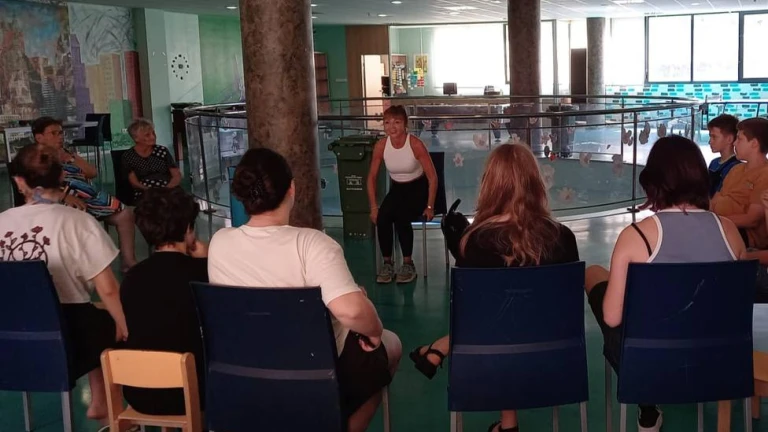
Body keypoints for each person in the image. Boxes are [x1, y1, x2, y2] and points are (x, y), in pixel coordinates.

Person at [208, 148, 401, 432]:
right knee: (391, 345)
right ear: (292, 189)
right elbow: (351, 311)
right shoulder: (312, 244)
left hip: (245, 371)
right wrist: (373, 331)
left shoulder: (219, 242)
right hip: (314, 375)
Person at [410, 143, 580, 432]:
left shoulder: (472, 241)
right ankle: (506, 421)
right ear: (536, 183)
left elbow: (471, 314)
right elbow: (566, 306)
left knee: (497, 321)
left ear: (490, 185)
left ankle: (441, 347)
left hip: (490, 352)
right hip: (552, 352)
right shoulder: (563, 237)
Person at [585, 136, 747, 432]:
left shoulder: (637, 236)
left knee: (596, 276)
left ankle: (647, 405)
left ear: (654, 181)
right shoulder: (729, 230)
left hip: (651, 363)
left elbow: (612, 317)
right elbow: (737, 306)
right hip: (717, 358)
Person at [1, 143, 128, 421]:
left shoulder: (1, 222)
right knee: (108, 324)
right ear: (61, 177)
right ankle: (105, 403)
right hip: (67, 337)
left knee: (94, 317)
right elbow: (108, 289)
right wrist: (125, 324)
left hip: (10, 335)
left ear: (19, 182)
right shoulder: (78, 222)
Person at [120, 188, 207, 415]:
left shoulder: (132, 277)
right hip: (193, 391)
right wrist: (206, 261)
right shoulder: (201, 273)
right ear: (188, 229)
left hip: (139, 392)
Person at [32, 117, 137, 271]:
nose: (60, 137)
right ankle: (88, 269)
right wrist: (64, 196)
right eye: (53, 133)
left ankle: (128, 261)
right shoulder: (35, 158)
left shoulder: (67, 152)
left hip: (90, 198)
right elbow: (35, 188)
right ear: (39, 137)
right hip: (62, 201)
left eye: (60, 133)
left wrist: (71, 158)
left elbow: (92, 172)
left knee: (125, 214)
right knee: (79, 220)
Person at [367, 105, 438, 284]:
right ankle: (387, 263)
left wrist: (430, 206)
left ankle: (408, 263)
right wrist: (374, 207)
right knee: (383, 216)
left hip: (418, 188)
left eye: (397, 122)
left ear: (405, 124)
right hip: (397, 188)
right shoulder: (381, 146)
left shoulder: (415, 144)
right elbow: (371, 177)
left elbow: (433, 177)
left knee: (401, 216)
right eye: (387, 123)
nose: (392, 127)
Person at [711, 118, 768, 249]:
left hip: (744, 236)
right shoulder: (736, 169)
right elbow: (715, 200)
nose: (735, 143)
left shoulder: (764, 174)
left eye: (739, 139)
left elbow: (752, 219)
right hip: (721, 227)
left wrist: (715, 222)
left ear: (754, 143)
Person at [122, 118, 182, 200]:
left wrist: (166, 189)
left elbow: (176, 175)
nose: (153, 137)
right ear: (136, 138)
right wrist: (151, 191)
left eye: (153, 133)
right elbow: (134, 182)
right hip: (145, 191)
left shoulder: (162, 151)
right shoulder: (128, 156)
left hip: (168, 188)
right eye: (147, 135)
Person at [707, 114, 741, 197]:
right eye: (710, 137)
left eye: (714, 137)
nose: (710, 141)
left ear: (729, 139)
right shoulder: (714, 162)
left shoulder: (737, 168)